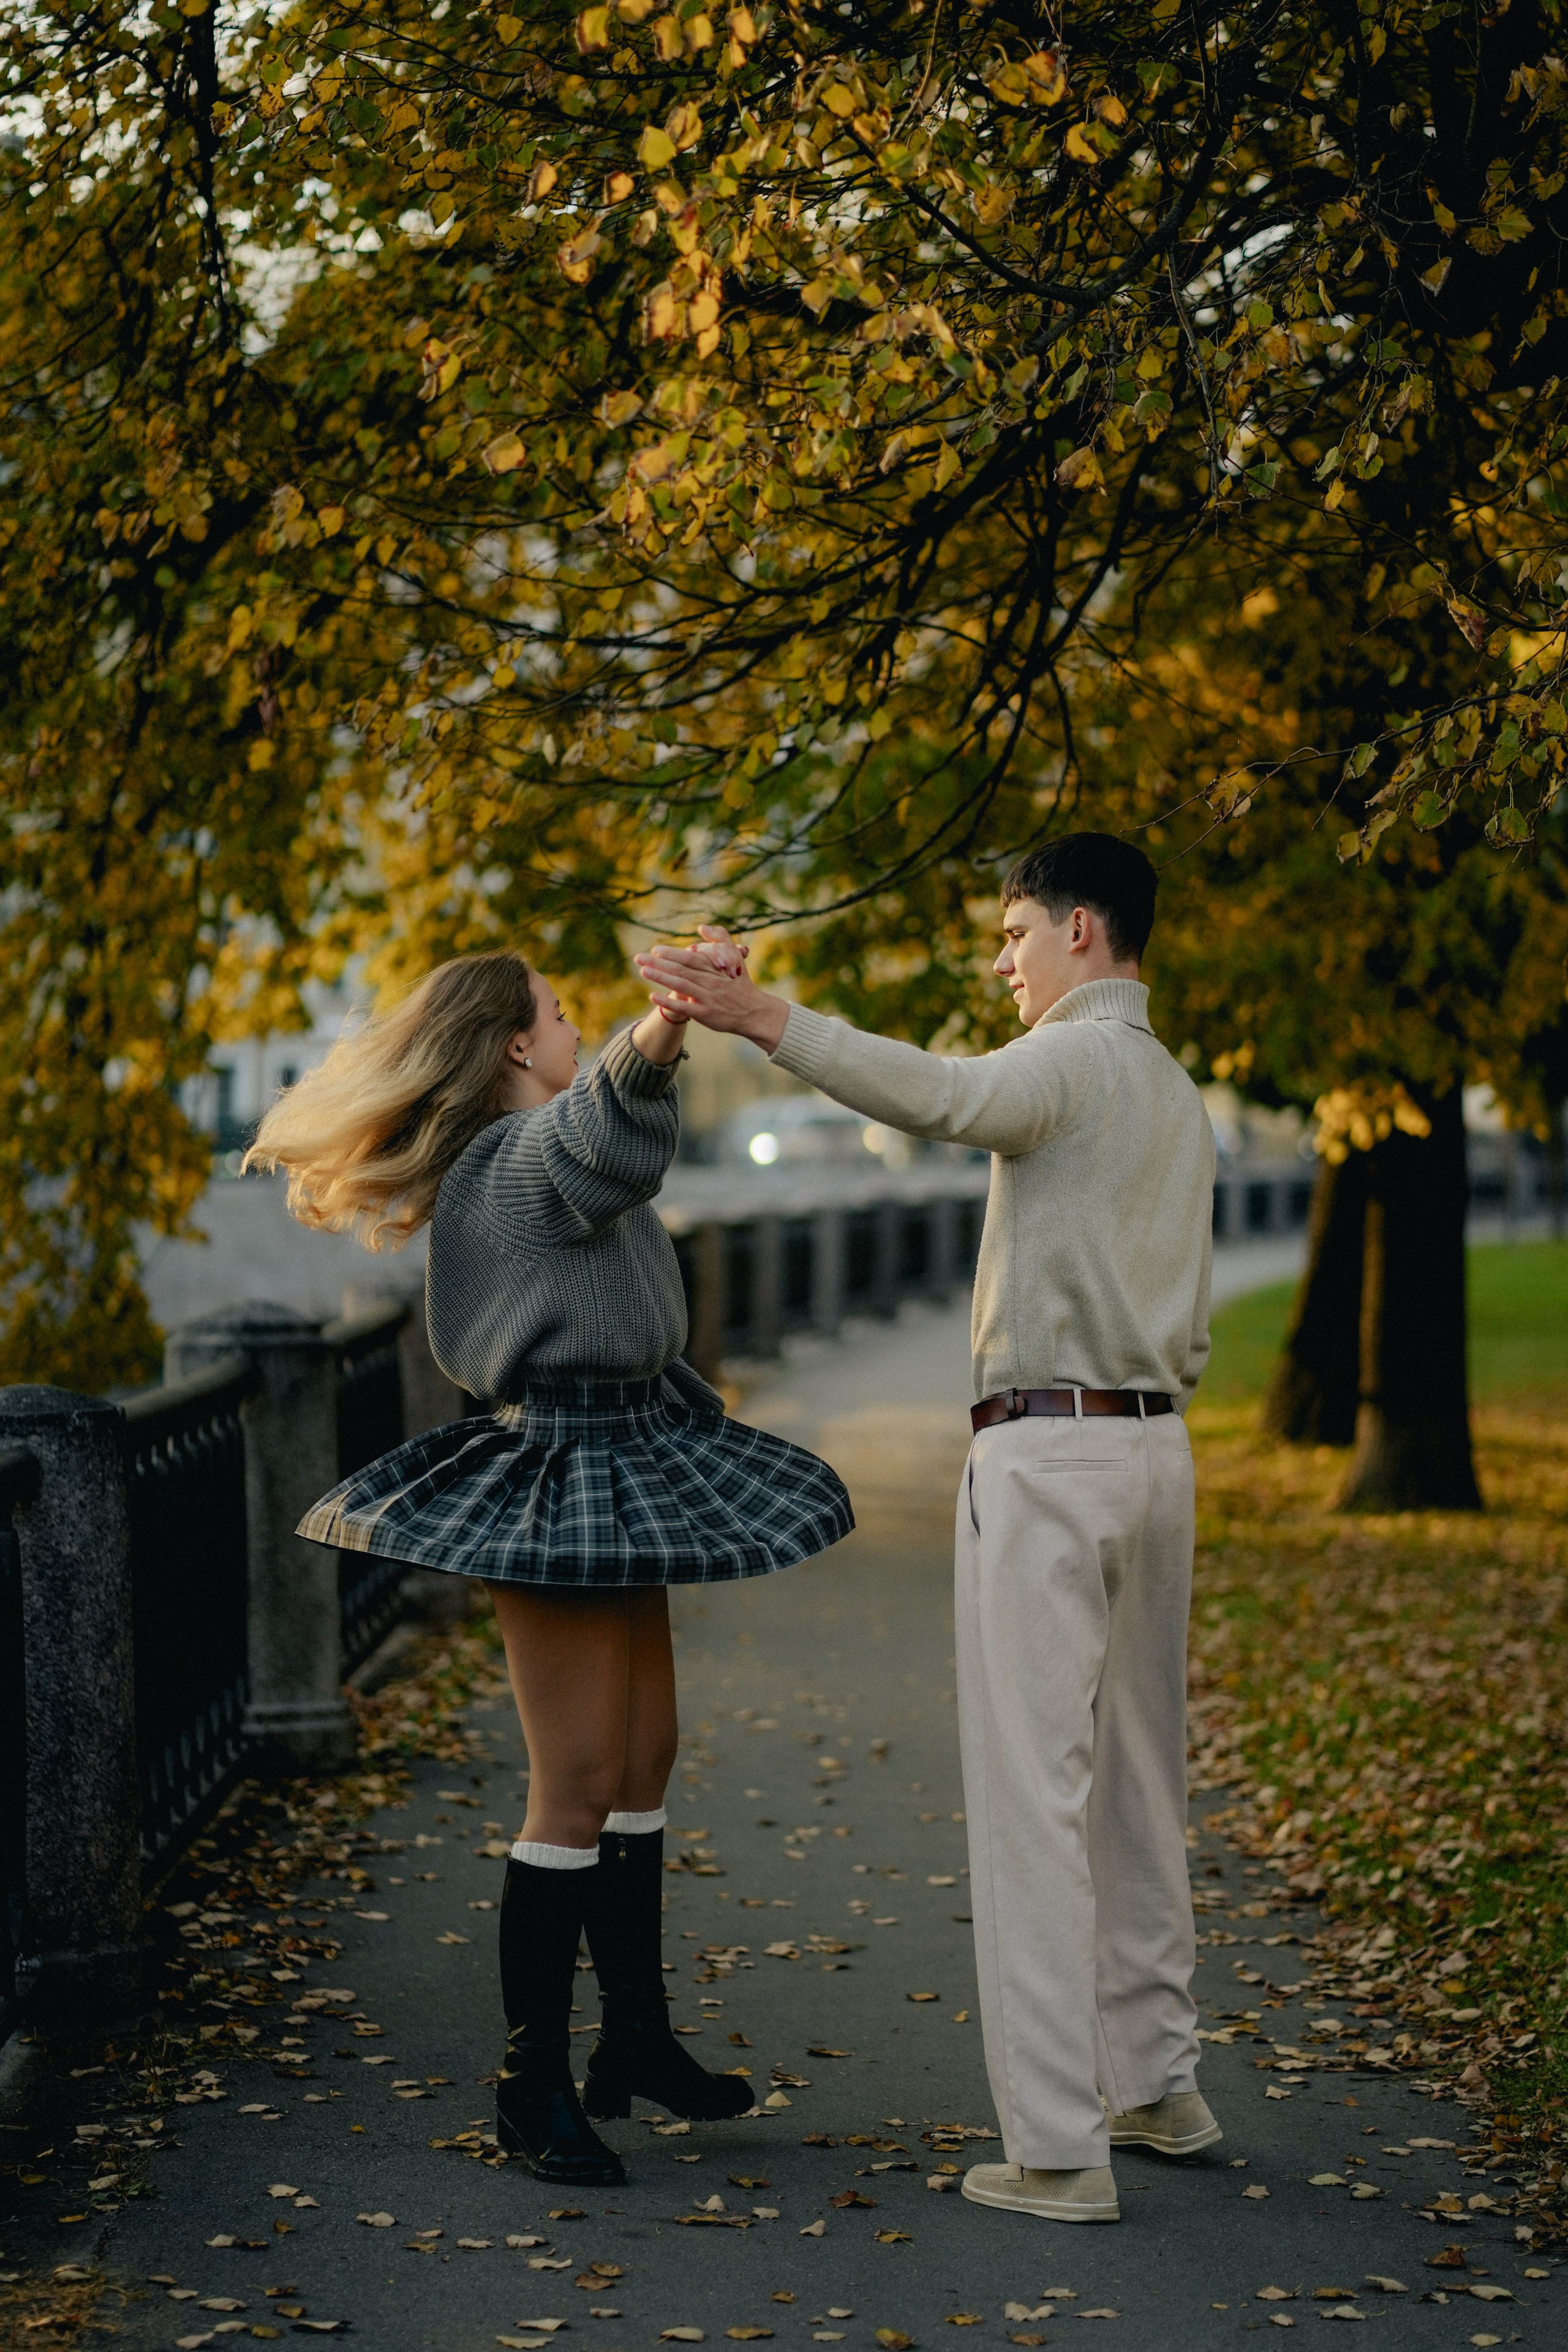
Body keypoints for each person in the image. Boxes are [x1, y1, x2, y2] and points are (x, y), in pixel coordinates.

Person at [635, 834, 1218, 2227]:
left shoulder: (1071, 1062)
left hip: (1048, 1450)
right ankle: (1156, 2086)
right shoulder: (1175, 1091)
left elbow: (943, 1096)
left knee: (1033, 1798)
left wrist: (765, 1020)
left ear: (1081, 931)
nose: (998, 959)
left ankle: (1059, 2153)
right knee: (1140, 1785)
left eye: (1012, 932)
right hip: (1155, 1452)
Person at [246, 952, 852, 2187]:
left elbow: (609, 1150)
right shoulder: (510, 1166)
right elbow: (605, 1133)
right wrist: (667, 1023)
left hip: (628, 1447)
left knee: (642, 1760)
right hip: (563, 1470)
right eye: (559, 1014)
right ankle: (532, 2088)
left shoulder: (546, 1161)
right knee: (572, 1781)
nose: (573, 1027)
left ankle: (631, 2041)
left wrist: (653, 1038)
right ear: (515, 1047)